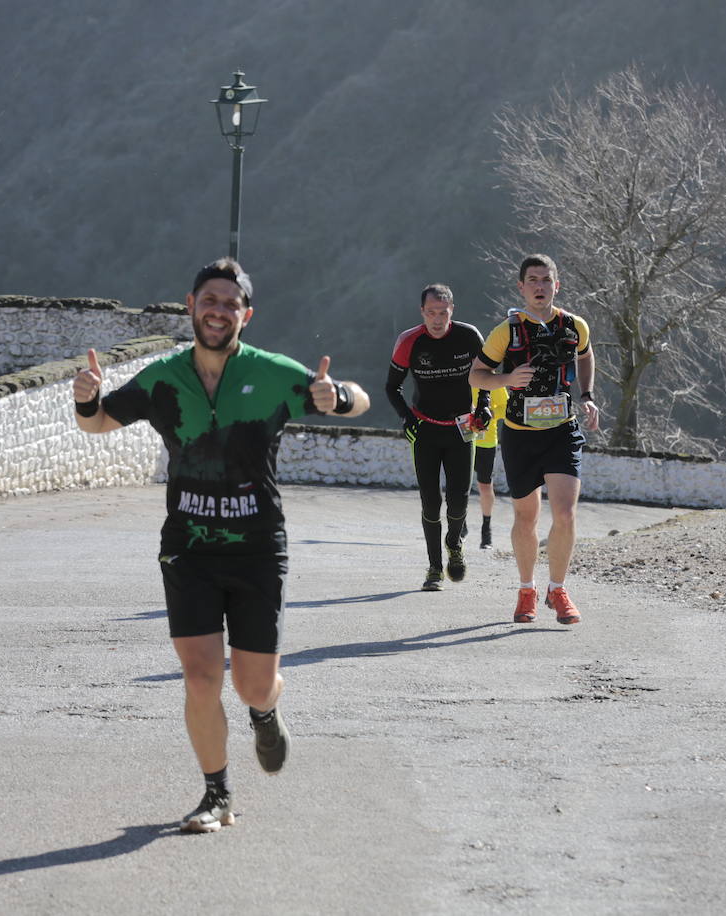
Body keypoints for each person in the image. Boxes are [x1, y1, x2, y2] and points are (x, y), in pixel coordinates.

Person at [72, 257, 370, 833]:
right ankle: (217, 794)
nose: (218, 311)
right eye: (209, 300)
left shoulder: (275, 372)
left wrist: (339, 396)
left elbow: (357, 400)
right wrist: (87, 398)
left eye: (230, 304)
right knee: (201, 677)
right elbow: (99, 422)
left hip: (259, 549)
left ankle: (265, 710)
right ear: (191, 305)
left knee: (251, 682)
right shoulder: (164, 379)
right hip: (189, 548)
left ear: (246, 315)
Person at [468, 254, 601, 625]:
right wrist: (506, 381)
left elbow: (587, 356)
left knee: (565, 513)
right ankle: (526, 589)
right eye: (533, 280)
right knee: (526, 517)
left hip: (562, 431)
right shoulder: (506, 331)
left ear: (556, 285)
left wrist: (587, 396)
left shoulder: (574, 326)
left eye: (546, 280)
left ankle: (557, 589)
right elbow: (476, 376)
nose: (540, 286)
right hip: (520, 436)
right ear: (521, 287)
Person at [385, 283, 489, 591]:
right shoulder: (409, 341)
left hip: (462, 428)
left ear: (452, 311)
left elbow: (485, 378)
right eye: (431, 313)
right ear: (422, 312)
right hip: (426, 428)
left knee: (458, 501)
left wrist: (483, 407)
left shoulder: (469, 336)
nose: (437, 319)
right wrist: (405, 417)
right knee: (430, 502)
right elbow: (392, 387)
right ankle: (433, 568)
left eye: (443, 312)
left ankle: (454, 545)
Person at [471, 385, 508, 549]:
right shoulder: (461, 372)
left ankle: (486, 530)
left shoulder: (492, 380)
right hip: (462, 438)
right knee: (457, 484)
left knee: (485, 485)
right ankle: (459, 525)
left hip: (486, 441)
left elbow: (507, 406)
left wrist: (490, 414)